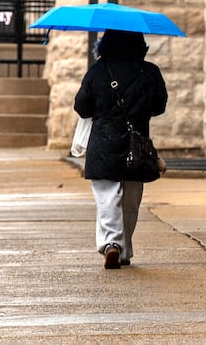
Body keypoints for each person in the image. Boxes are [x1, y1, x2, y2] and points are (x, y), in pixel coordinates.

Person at [74, 29, 167, 269]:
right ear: (140, 44)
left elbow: (82, 107)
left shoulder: (97, 71)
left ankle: (111, 244)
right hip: (137, 144)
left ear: (106, 44)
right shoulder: (150, 71)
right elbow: (159, 106)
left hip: (104, 143)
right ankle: (123, 249)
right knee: (131, 200)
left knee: (107, 198)